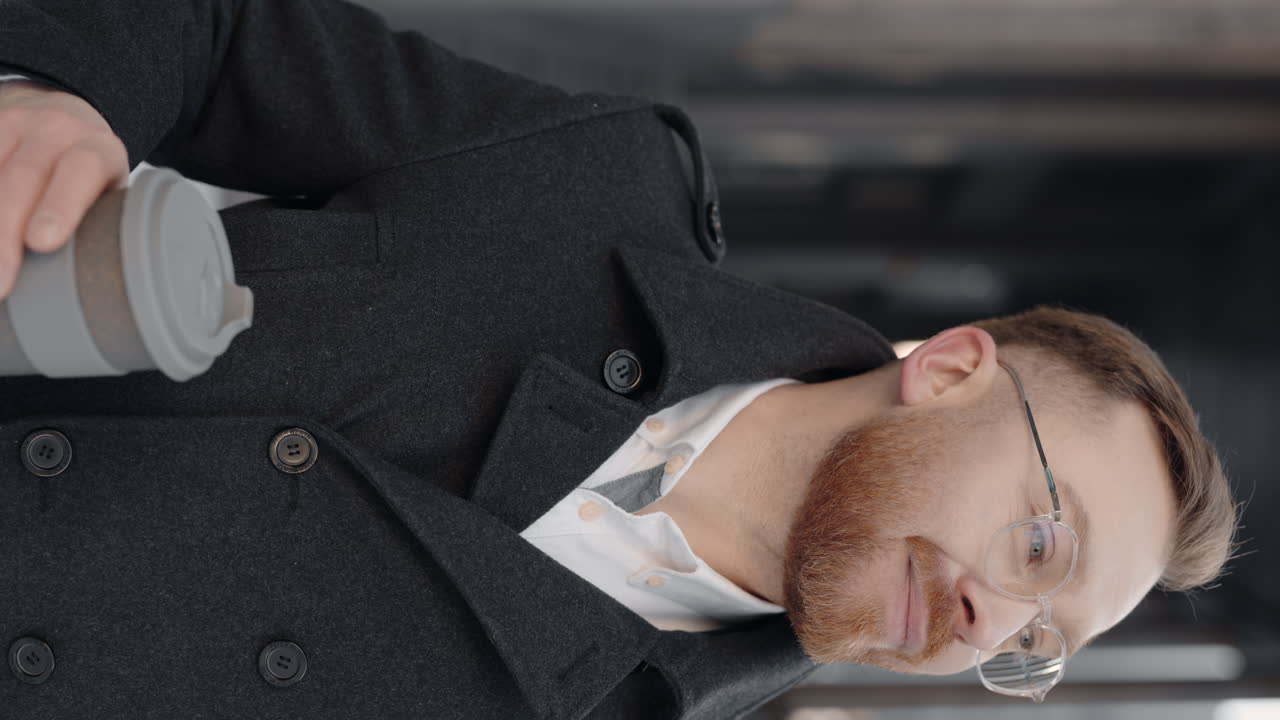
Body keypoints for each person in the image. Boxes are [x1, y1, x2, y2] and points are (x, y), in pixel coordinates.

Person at [0, 1, 1239, 718]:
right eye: (1040, 546)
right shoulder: (594, 183)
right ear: (956, 368)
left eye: (1037, 642)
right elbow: (220, 38)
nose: (993, 620)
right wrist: (56, 89)